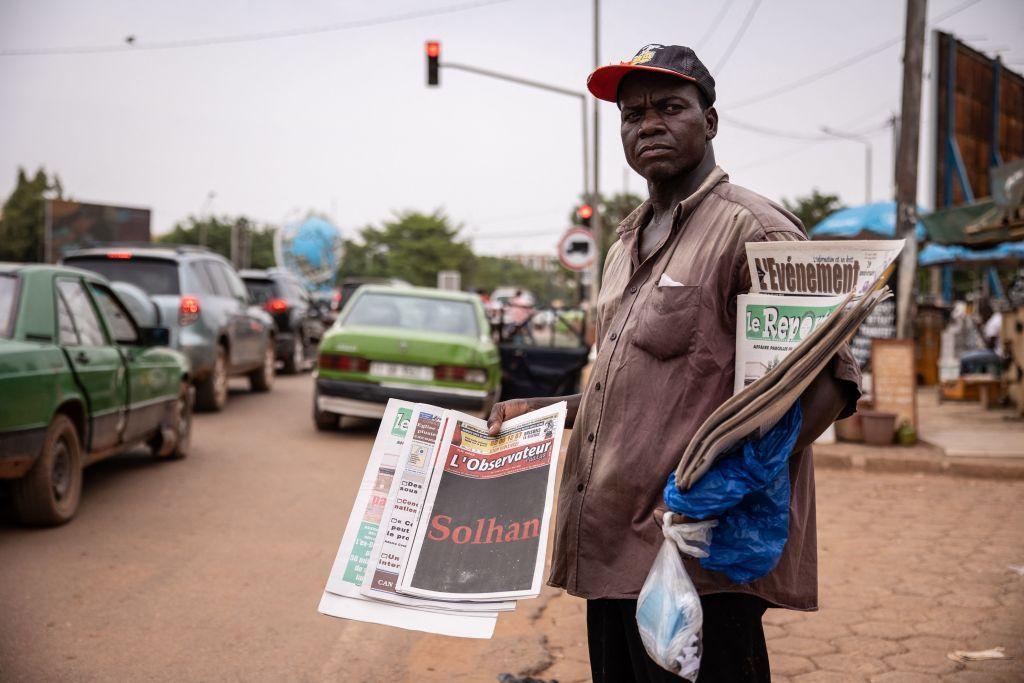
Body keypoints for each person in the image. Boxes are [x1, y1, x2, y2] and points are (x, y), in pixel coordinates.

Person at [487, 44, 861, 682]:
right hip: (611, 555)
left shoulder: (756, 230)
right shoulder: (629, 239)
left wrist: (727, 497)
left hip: (695, 564)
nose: (648, 124)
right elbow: (638, 393)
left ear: (709, 122)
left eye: (669, 107)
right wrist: (540, 411)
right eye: (632, 115)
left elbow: (827, 385)